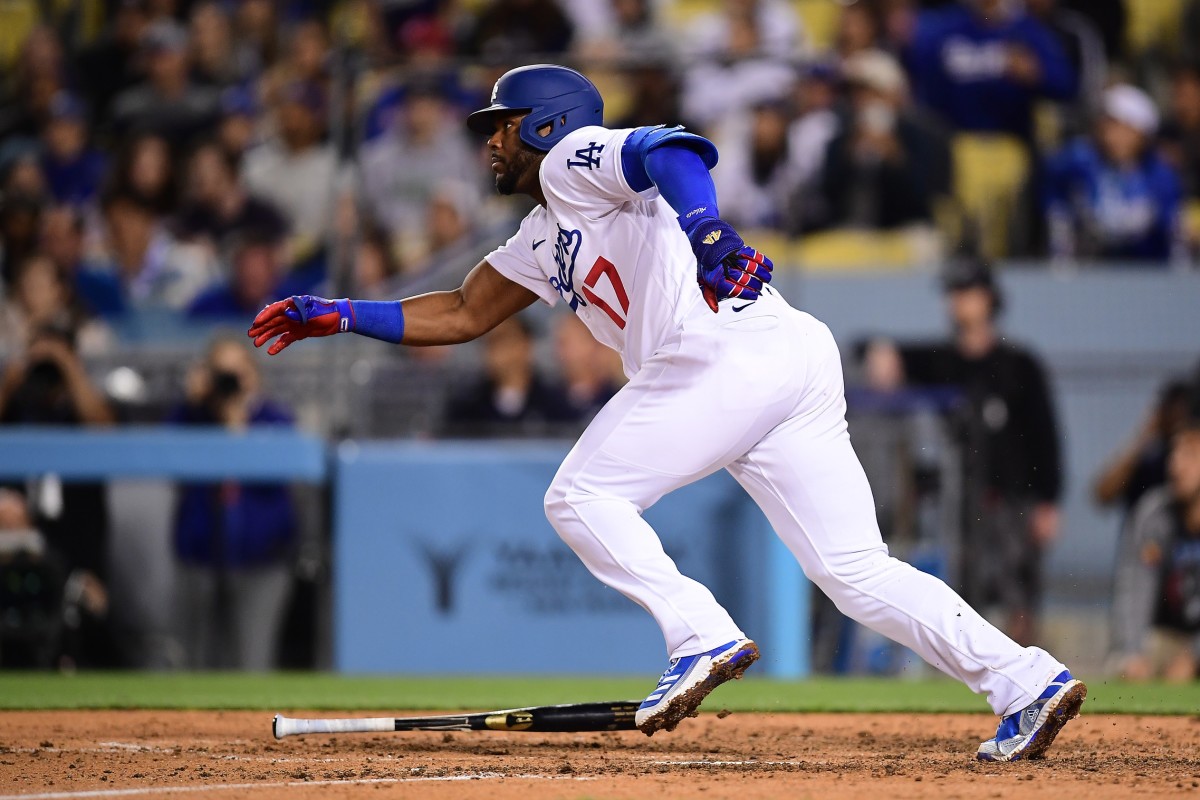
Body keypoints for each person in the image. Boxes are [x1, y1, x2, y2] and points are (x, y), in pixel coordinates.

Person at [249, 64, 1085, 760]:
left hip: (723, 353)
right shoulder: (544, 231)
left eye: (502, 123)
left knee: (579, 498)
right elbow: (466, 313)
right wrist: (345, 314)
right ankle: (1024, 680)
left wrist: (710, 233)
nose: (490, 139)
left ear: (545, 125)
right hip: (780, 358)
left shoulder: (576, 157)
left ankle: (701, 637)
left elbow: (672, 147)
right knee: (856, 573)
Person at [865, 261, 1062, 647]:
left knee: (1018, 596)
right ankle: (974, 676)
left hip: (1014, 500)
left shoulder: (1020, 365)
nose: (959, 303)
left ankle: (1029, 674)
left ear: (988, 298)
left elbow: (1047, 437)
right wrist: (882, 357)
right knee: (966, 593)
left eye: (967, 293)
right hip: (963, 503)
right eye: (953, 294)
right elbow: (884, 354)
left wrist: (1048, 501)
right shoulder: (944, 361)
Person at [169, 335, 297, 670]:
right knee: (193, 663)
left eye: (237, 373)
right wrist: (194, 402)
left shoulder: (275, 419)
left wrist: (237, 425)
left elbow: (279, 475)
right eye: (220, 373)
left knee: (252, 660)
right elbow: (166, 458)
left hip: (261, 558)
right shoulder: (192, 417)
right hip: (199, 554)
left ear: (253, 375)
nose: (229, 383)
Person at [1043, 84, 1183, 264]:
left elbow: (1173, 238)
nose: (1113, 135)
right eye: (1108, 125)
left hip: (1146, 272)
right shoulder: (1077, 162)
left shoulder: (1160, 175)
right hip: (1088, 268)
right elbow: (1055, 204)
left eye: (1124, 128)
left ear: (1142, 135)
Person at [1111, 418, 1200, 681]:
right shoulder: (1155, 514)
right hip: (1166, 636)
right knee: (1125, 667)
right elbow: (1134, 585)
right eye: (1174, 454)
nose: (1175, 465)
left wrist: (1194, 656)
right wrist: (1132, 652)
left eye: (1190, 455)